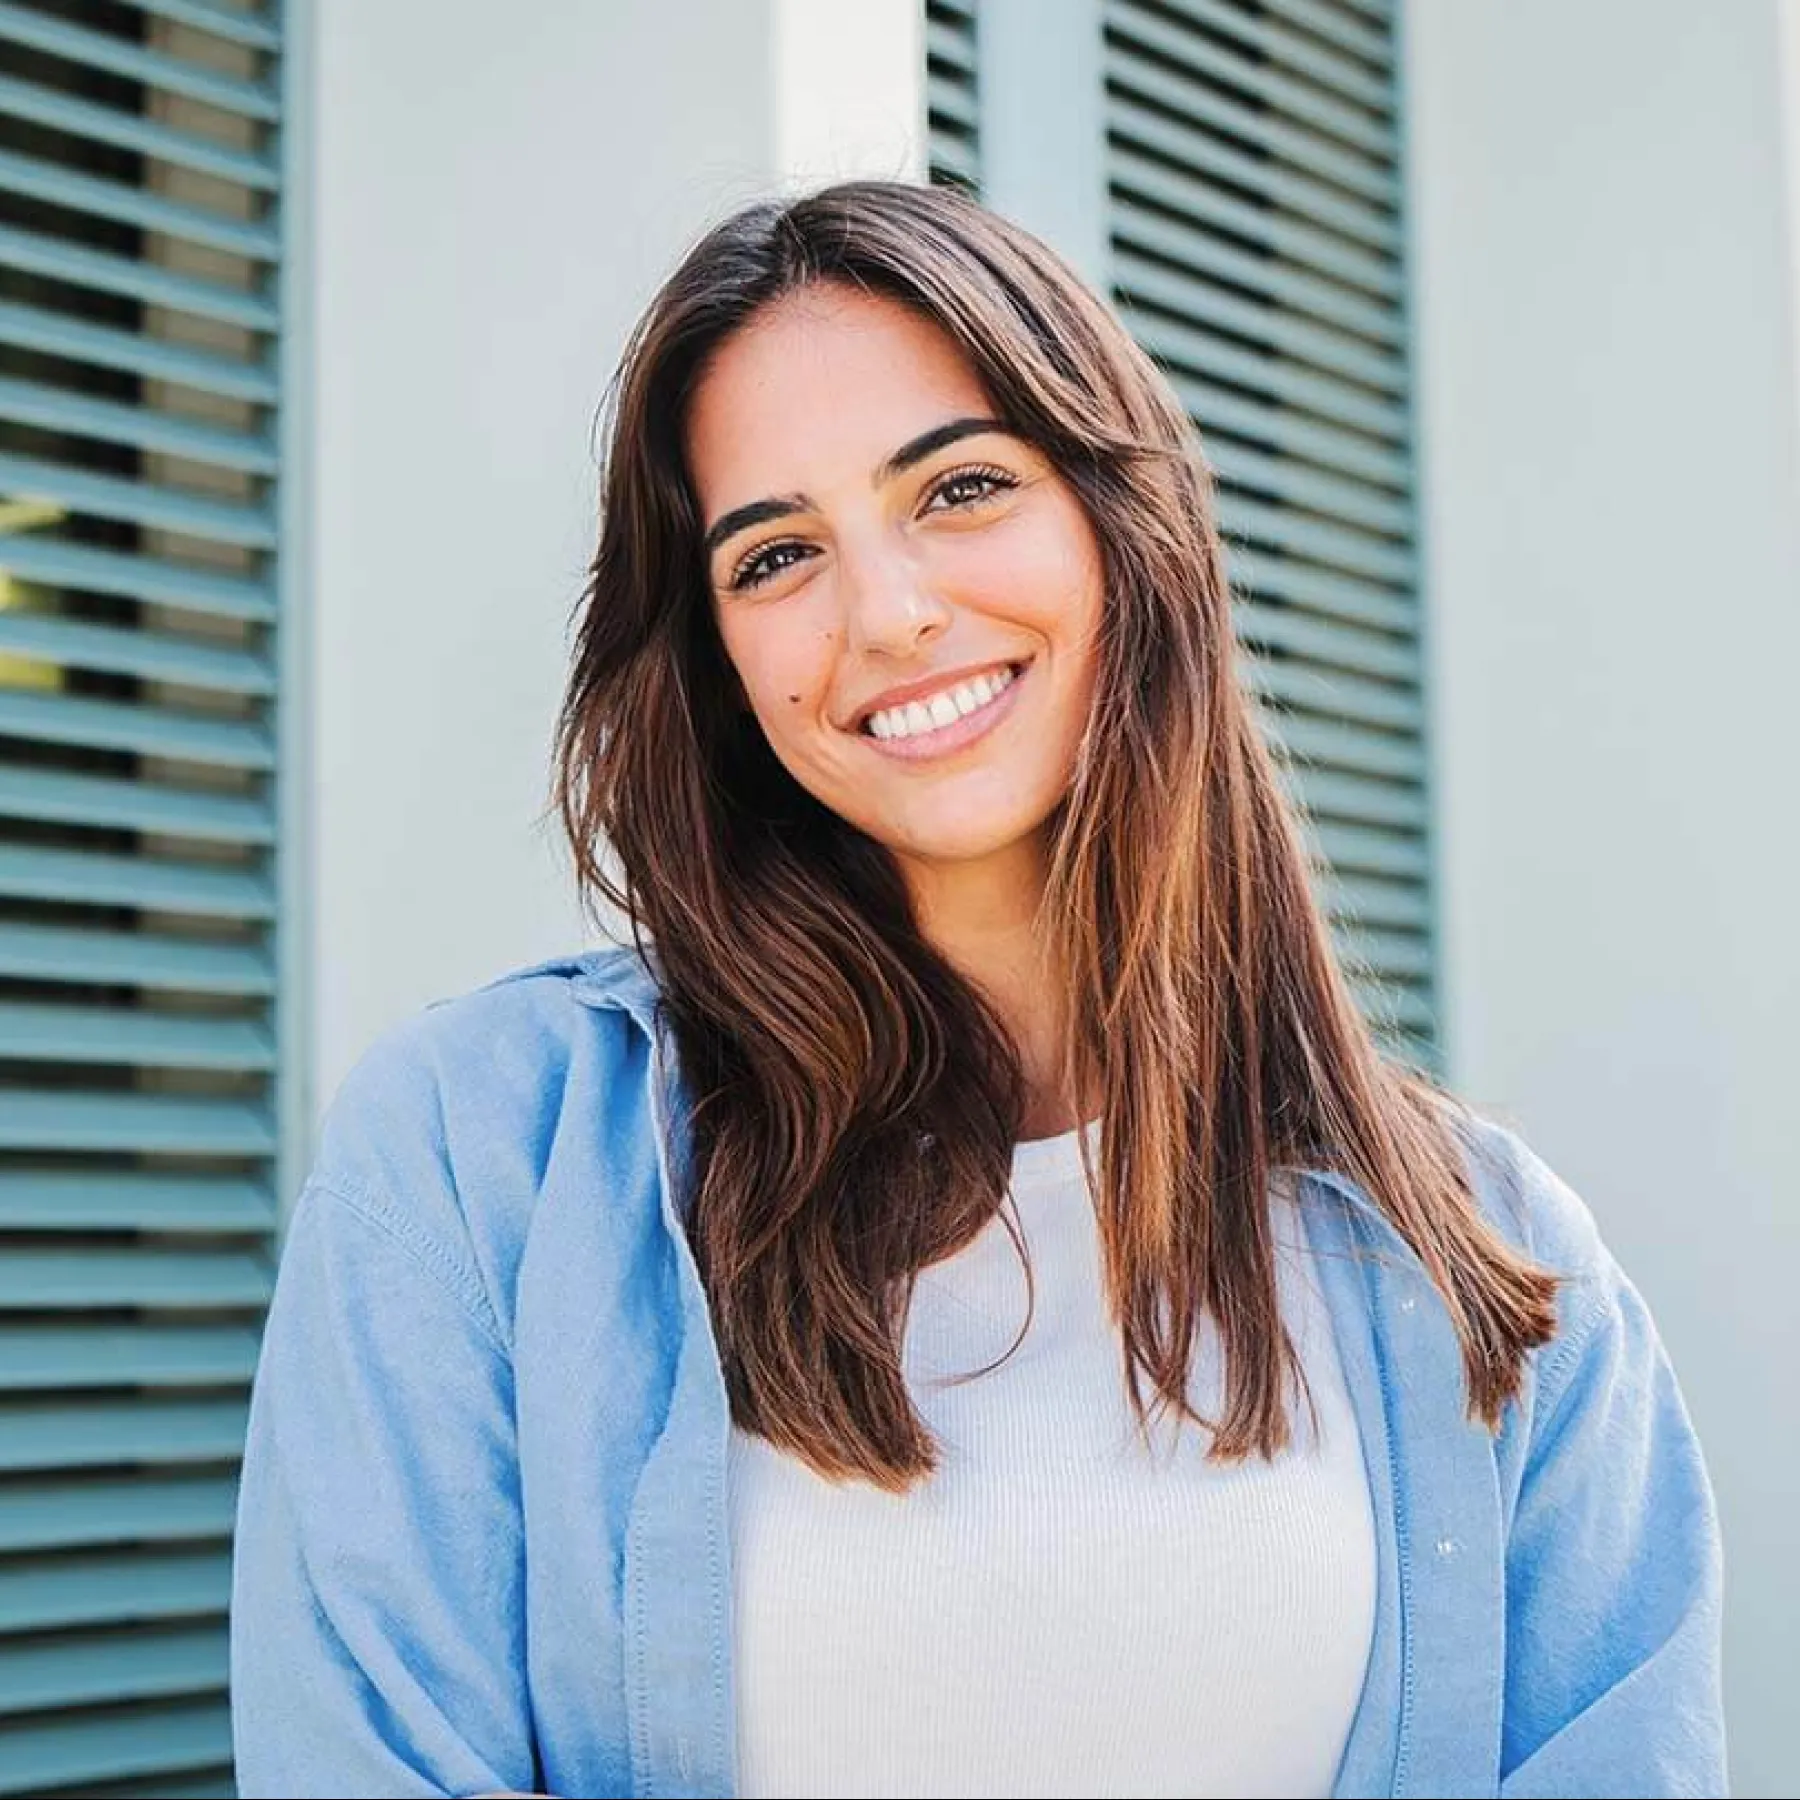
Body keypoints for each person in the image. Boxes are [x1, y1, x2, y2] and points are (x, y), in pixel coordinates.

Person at [228, 180, 1725, 1800]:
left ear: (1121, 523)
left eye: (959, 487)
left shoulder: (1490, 1262)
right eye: (777, 553)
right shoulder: (476, 1163)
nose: (887, 612)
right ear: (718, 658)